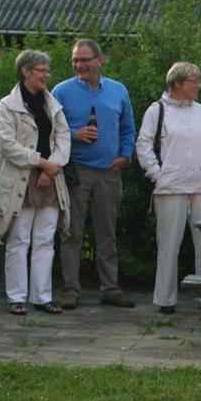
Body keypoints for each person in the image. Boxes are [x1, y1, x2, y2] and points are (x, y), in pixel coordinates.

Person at [53, 38, 136, 309]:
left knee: (107, 233)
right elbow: (50, 130)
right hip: (75, 171)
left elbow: (128, 129)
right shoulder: (61, 91)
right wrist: (76, 134)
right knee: (71, 233)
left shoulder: (118, 90)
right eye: (75, 60)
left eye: (84, 60)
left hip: (109, 172)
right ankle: (70, 290)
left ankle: (110, 288)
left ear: (99, 60)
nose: (79, 65)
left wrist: (125, 155)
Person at [136, 62, 201, 316]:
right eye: (194, 81)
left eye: (199, 80)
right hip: (170, 187)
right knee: (169, 243)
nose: (199, 86)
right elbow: (143, 145)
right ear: (177, 83)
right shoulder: (157, 110)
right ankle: (165, 298)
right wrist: (158, 175)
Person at [0, 50, 71, 315]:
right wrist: (40, 162)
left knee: (45, 239)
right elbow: (8, 145)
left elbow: (63, 138)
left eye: (48, 69)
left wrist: (52, 168)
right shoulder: (7, 105)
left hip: (51, 179)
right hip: (20, 179)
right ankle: (17, 297)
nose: (47, 74)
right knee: (19, 238)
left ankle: (42, 296)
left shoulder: (52, 104)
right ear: (26, 71)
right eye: (41, 70)